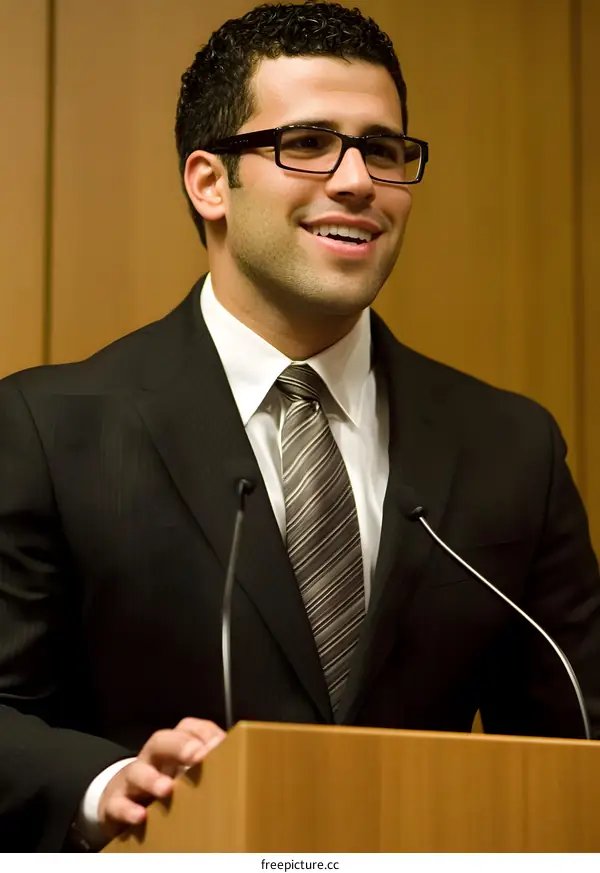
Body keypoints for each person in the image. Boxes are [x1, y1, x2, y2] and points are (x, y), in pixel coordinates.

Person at [0, 0, 599, 853]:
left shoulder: (512, 446)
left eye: (383, 150)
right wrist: (108, 784)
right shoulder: (47, 429)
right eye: (308, 144)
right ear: (210, 181)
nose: (358, 180)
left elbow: (575, 740)